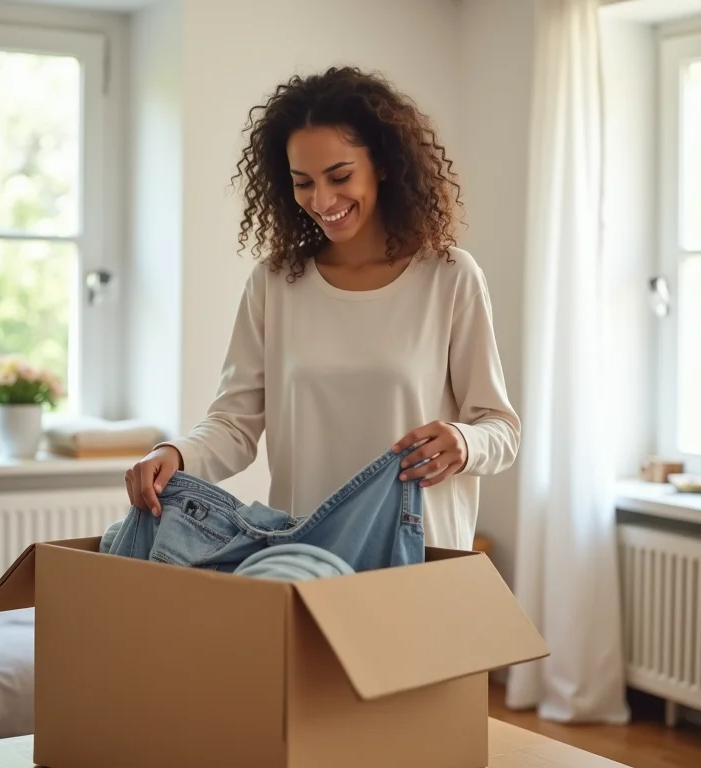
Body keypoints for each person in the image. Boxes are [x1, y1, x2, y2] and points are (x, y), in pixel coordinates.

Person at [125, 66, 520, 551]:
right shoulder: (275, 283)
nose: (322, 199)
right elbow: (234, 423)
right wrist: (176, 454)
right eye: (303, 182)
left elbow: (499, 428)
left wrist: (463, 443)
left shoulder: (449, 275)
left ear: (384, 164)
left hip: (417, 553)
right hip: (301, 552)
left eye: (339, 176)